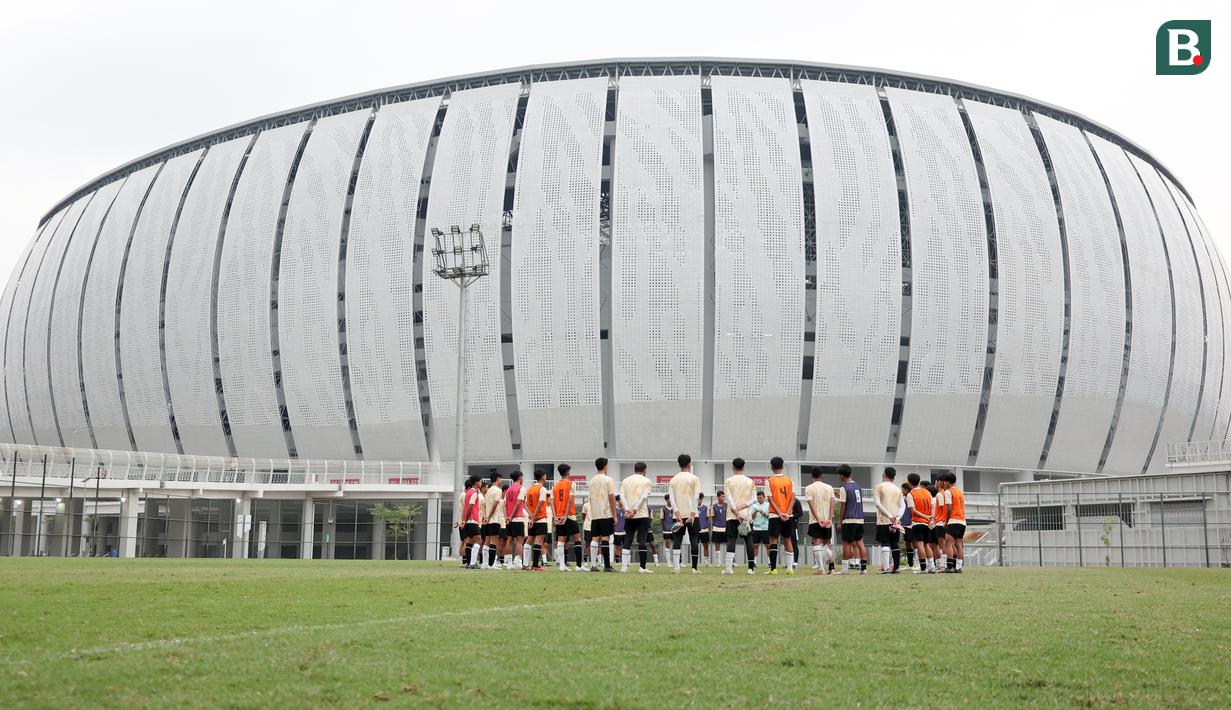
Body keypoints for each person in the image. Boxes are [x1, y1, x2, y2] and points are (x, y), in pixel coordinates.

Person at [667, 454, 702, 574]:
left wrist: (677, 515)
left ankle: (676, 567)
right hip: (692, 514)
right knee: (694, 539)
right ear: (689, 464)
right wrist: (692, 514)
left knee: (677, 539)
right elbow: (696, 497)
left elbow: (671, 499)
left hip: (678, 515)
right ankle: (694, 568)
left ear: (679, 464)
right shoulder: (694, 478)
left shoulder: (673, 479)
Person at [722, 459, 758, 575]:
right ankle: (751, 568)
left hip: (732, 516)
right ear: (743, 467)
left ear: (733, 467)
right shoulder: (750, 481)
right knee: (748, 540)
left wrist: (736, 511)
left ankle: (728, 569)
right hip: (746, 515)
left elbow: (729, 498)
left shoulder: (728, 481)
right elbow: (754, 499)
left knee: (732, 539)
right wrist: (743, 507)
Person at [619, 462, 654, 573]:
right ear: (644, 470)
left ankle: (624, 567)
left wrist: (627, 509)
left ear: (634, 469)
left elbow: (622, 497)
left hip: (629, 515)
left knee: (628, 539)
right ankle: (642, 567)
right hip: (642, 514)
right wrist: (634, 509)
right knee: (642, 540)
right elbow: (644, 497)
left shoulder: (625, 480)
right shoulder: (646, 481)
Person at [835, 464, 867, 575]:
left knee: (846, 543)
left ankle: (844, 570)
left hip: (849, 519)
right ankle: (864, 569)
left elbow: (843, 506)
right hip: (860, 519)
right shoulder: (858, 486)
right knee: (860, 543)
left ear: (842, 475)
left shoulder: (844, 487)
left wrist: (840, 521)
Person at [765, 457, 795, 575]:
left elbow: (770, 499)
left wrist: (779, 513)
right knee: (788, 540)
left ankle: (773, 569)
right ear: (783, 466)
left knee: (773, 540)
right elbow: (793, 498)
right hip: (789, 516)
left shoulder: (769, 481)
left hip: (774, 515)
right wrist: (787, 513)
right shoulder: (789, 480)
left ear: (771, 467)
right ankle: (790, 568)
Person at [804, 468, 836, 575]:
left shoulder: (808, 488)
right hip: (827, 519)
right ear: (822, 476)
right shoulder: (829, 487)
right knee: (827, 543)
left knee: (816, 542)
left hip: (815, 520)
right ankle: (832, 568)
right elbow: (832, 504)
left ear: (811, 476)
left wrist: (818, 519)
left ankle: (821, 568)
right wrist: (830, 519)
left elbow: (811, 505)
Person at [873, 468, 904, 574]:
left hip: (883, 520)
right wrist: (897, 518)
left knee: (885, 543)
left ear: (884, 475)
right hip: (895, 522)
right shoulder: (898, 489)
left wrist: (889, 516)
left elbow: (877, 504)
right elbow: (902, 506)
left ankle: (885, 568)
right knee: (894, 543)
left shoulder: (878, 487)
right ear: (894, 477)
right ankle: (896, 568)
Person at [588, 457, 617, 572]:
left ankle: (594, 565)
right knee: (605, 538)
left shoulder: (591, 481)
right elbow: (611, 498)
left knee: (595, 538)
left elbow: (590, 499)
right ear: (605, 466)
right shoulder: (609, 480)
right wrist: (614, 515)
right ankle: (607, 565)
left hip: (595, 514)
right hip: (606, 513)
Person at [552, 464, 583, 571]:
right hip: (569, 515)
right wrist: (566, 515)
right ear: (568, 472)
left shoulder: (555, 486)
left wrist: (555, 516)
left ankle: (561, 565)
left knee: (561, 540)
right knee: (577, 539)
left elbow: (552, 502)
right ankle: (579, 566)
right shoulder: (571, 484)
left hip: (559, 516)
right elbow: (570, 500)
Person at [905, 473, 933, 573]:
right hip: (927, 523)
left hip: (917, 523)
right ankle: (932, 566)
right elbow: (932, 506)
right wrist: (930, 518)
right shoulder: (927, 492)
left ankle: (923, 568)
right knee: (927, 545)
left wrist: (924, 517)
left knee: (920, 545)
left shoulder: (910, 494)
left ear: (909, 483)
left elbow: (913, 510)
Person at [525, 470, 550, 571]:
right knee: (538, 541)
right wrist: (534, 516)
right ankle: (535, 565)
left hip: (531, 519)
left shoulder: (530, 488)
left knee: (529, 540)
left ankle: (525, 564)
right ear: (543, 476)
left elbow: (525, 504)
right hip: (540, 519)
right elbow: (540, 504)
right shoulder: (542, 489)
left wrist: (531, 515)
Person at [943, 472, 966, 573]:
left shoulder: (948, 492)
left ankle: (950, 566)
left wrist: (946, 522)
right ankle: (958, 567)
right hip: (962, 521)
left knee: (948, 543)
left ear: (947, 482)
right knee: (959, 544)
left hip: (954, 520)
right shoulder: (960, 492)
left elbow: (949, 509)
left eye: (944, 481)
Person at [504, 470, 527, 570]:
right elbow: (518, 503)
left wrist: (507, 517)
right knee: (519, 540)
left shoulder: (508, 489)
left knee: (509, 540)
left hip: (509, 519)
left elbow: (504, 505)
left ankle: (509, 563)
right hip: (517, 518)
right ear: (520, 477)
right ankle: (518, 561)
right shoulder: (522, 488)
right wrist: (512, 516)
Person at [482, 472, 505, 569]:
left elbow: (485, 505)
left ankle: (485, 563)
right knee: (493, 542)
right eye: (501, 478)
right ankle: (491, 564)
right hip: (494, 519)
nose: (501, 481)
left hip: (487, 520)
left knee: (487, 541)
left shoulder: (488, 491)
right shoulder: (498, 491)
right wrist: (489, 516)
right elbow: (495, 505)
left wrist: (485, 517)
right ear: (498, 478)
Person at [461, 476, 484, 569]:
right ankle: (473, 562)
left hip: (468, 520)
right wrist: (466, 519)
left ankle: (468, 562)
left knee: (470, 541)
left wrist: (464, 520)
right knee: (478, 540)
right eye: (480, 482)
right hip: (472, 519)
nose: (481, 483)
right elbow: (470, 506)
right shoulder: (475, 492)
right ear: (476, 482)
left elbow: (465, 507)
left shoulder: (468, 492)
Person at [750, 491, 770, 570]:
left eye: (761, 498)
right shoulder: (754, 506)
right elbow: (751, 517)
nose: (759, 499)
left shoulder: (768, 505)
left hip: (765, 528)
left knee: (768, 545)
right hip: (756, 528)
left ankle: (770, 561)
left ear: (764, 497)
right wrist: (755, 512)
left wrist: (763, 513)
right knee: (755, 545)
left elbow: (769, 516)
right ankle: (754, 562)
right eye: (758, 498)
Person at [931, 478, 948, 573]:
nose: (935, 483)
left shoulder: (940, 494)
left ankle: (944, 566)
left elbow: (943, 508)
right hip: (942, 522)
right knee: (944, 544)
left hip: (941, 522)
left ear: (939, 483)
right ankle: (945, 565)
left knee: (943, 545)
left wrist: (943, 520)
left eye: (936, 481)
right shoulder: (945, 493)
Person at [710, 491, 728, 566]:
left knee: (729, 544)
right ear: (718, 497)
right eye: (722, 496)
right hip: (717, 528)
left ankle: (731, 561)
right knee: (717, 544)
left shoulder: (727, 505)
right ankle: (718, 562)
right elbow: (713, 517)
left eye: (724, 497)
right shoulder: (713, 506)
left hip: (725, 528)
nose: (723, 498)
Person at [696, 493, 710, 566]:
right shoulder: (693, 508)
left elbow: (707, 518)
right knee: (695, 545)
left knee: (706, 545)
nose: (699, 501)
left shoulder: (705, 508)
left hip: (704, 530)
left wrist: (704, 525)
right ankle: (696, 560)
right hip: (696, 530)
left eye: (700, 499)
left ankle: (706, 561)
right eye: (698, 499)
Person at [580, 500, 593, 571]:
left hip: (596, 526)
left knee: (597, 543)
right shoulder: (586, 505)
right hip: (588, 527)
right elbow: (583, 516)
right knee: (587, 544)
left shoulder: (598, 505)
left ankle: (598, 560)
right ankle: (585, 561)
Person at [661, 494, 674, 559]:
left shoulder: (675, 508)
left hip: (674, 529)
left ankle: (678, 562)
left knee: (676, 544)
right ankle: (668, 562)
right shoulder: (663, 509)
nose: (670, 500)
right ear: (666, 500)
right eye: (669, 499)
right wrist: (664, 527)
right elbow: (661, 520)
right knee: (668, 544)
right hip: (666, 530)